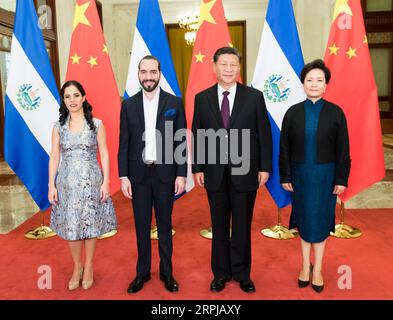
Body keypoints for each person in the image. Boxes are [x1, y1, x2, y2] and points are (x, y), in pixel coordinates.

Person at [192, 47, 272, 293]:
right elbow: (198, 135)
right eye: (224, 64)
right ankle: (220, 273)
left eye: (233, 65)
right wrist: (198, 167)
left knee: (241, 225)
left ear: (239, 67)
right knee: (218, 225)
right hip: (214, 172)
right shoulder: (202, 97)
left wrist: (264, 167)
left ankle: (242, 273)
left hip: (246, 171)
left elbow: (263, 135)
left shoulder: (254, 96)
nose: (228, 69)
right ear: (214, 66)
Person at [279, 59, 351, 293]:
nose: (314, 84)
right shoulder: (292, 113)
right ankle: (304, 266)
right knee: (304, 220)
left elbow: (343, 149)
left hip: (325, 177)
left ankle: (317, 268)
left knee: (320, 221)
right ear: (303, 83)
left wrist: (341, 179)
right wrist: (286, 175)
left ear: (326, 84)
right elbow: (285, 148)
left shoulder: (336, 112)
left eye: (319, 80)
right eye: (310, 80)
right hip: (299, 176)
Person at [118, 55, 187, 294]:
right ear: (138, 74)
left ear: (159, 73)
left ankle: (167, 273)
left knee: (165, 225)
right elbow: (124, 142)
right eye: (144, 72)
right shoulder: (128, 105)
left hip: (165, 174)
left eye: (153, 72)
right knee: (141, 225)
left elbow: (181, 140)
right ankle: (142, 272)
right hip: (138, 175)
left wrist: (181, 174)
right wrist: (123, 176)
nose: (148, 77)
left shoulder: (175, 103)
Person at [49, 80, 117, 291]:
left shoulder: (96, 124)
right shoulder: (58, 126)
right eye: (68, 96)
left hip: (91, 182)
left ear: (83, 97)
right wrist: (51, 184)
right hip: (67, 183)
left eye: (76, 95)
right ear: (64, 100)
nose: (72, 100)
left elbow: (104, 152)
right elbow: (54, 155)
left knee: (90, 224)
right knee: (72, 225)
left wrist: (106, 181)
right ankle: (77, 266)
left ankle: (88, 265)